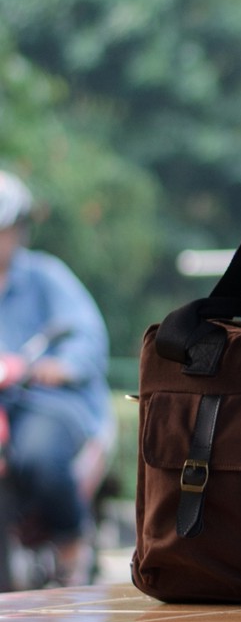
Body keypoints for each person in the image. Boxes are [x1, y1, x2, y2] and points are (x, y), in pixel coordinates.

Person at [0, 170, 112, 586]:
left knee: (40, 457)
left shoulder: (45, 277)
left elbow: (85, 335)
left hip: (44, 403)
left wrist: (60, 366)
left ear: (18, 231)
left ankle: (70, 543)